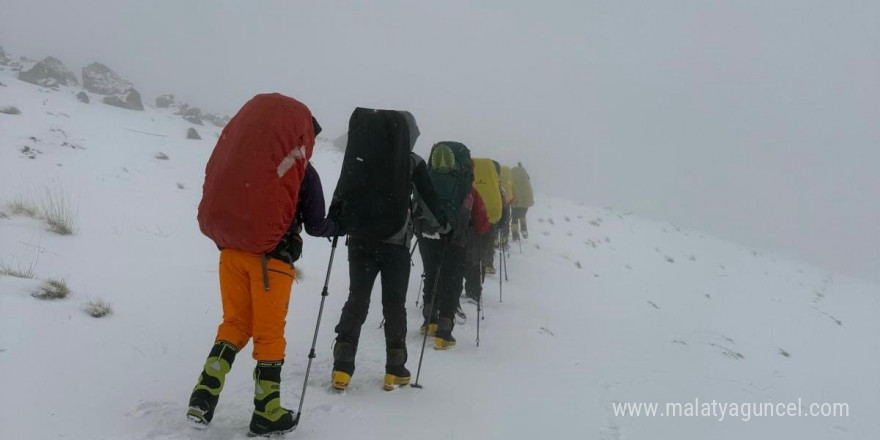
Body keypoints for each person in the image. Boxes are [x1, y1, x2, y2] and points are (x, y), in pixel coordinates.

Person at [188, 97, 338, 437]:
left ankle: (203, 394)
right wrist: (336, 226)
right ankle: (267, 411)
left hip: (231, 253)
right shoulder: (304, 174)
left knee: (235, 323)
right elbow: (316, 226)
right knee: (270, 335)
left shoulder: (244, 162)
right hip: (272, 261)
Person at [330, 110, 447, 392]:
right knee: (393, 304)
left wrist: (336, 220)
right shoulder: (413, 162)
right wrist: (445, 227)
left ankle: (342, 367)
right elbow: (429, 199)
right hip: (395, 245)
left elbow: (343, 188)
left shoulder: (361, 156)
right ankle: (395, 369)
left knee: (357, 299)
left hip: (359, 241)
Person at [416, 146, 486, 350]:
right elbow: (482, 223)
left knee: (431, 275)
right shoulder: (466, 187)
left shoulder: (426, 180)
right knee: (452, 280)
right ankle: (444, 333)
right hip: (455, 240)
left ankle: (430, 321)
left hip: (428, 237)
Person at [463, 187, 490, 304]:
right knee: (472, 260)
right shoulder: (470, 189)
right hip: (467, 231)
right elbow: (480, 216)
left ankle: (434, 298)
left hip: (442, 230)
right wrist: (481, 228)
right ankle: (473, 290)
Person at [511, 161, 535, 240]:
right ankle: (524, 229)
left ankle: (515, 234)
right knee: (522, 215)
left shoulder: (512, 176)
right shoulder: (525, 176)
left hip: (515, 201)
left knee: (514, 217)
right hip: (525, 200)